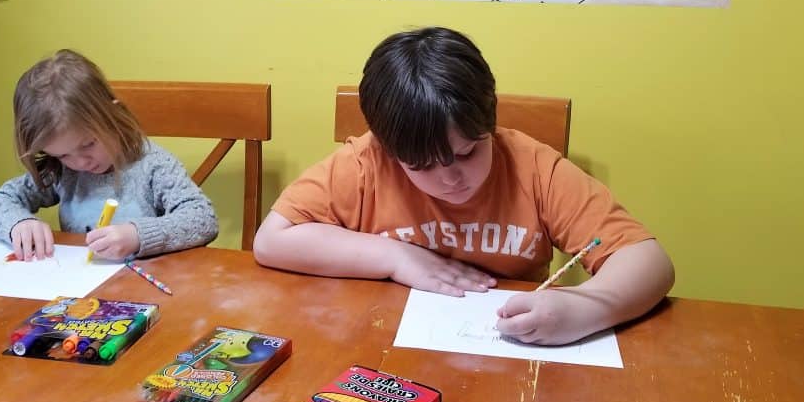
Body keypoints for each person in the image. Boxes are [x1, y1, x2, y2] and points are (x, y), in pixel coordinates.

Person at [254, 26, 674, 345]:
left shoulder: (531, 167)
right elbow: (272, 240)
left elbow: (650, 263)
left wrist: (584, 309)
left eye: (468, 153)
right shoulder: (366, 164)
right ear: (386, 147)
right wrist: (394, 256)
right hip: (384, 351)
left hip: (511, 357)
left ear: (488, 123)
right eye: (421, 165)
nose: (451, 178)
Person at [0, 50, 218, 261]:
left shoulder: (153, 165)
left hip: (143, 293)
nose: (80, 162)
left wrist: (138, 235)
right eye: (63, 154)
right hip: (81, 295)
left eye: (89, 144)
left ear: (112, 115)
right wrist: (19, 224)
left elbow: (202, 218)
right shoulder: (62, 172)